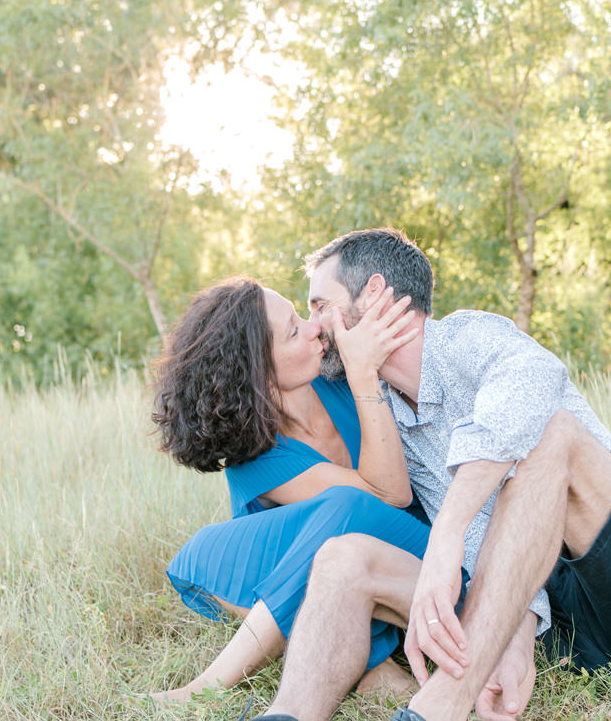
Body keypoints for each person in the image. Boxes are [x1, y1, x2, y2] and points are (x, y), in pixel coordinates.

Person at [250, 229, 611, 721]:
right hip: (566, 639)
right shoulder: (394, 416)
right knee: (343, 557)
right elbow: (495, 536)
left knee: (552, 437)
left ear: (373, 295)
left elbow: (534, 381)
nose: (313, 325)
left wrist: (448, 533)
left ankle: (437, 709)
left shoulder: (467, 336)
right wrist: (520, 628)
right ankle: (287, 714)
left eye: (319, 306)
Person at [147, 276, 435, 701]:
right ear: (259, 372)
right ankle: (369, 660)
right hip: (335, 570)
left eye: (301, 316)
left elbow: (393, 498)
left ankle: (208, 687)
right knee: (201, 553)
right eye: (294, 330)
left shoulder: (339, 375)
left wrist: (361, 375)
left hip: (421, 551)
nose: (315, 327)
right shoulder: (259, 458)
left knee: (343, 505)